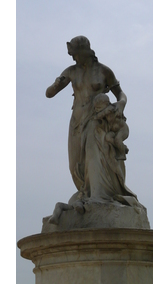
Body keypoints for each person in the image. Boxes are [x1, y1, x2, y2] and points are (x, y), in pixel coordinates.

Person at [46, 36, 138, 210]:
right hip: (76, 120)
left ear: (84, 50)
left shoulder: (104, 71)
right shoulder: (71, 71)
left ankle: (99, 195)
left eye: (75, 54)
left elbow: (121, 94)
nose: (73, 58)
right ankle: (85, 193)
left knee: (93, 157)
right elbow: (49, 93)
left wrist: (121, 104)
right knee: (75, 164)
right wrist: (56, 84)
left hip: (97, 120)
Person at [93, 93, 129, 160]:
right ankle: (122, 147)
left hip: (122, 129)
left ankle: (123, 155)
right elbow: (98, 116)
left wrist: (98, 115)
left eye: (99, 107)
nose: (97, 109)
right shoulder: (105, 110)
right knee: (108, 138)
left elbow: (101, 114)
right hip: (115, 131)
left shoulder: (111, 108)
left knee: (118, 139)